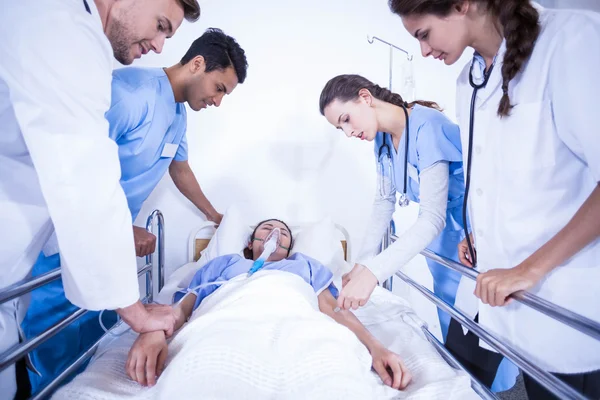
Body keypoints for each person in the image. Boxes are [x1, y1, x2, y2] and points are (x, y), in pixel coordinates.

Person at [389, 0, 600, 398]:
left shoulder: (571, 41)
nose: (423, 51)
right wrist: (474, 230)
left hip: (563, 297)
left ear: (462, 4)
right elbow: (488, 174)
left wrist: (527, 271)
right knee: (456, 376)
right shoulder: (467, 81)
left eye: (423, 34)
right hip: (492, 286)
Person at [20, 27, 248, 393]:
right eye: (219, 88)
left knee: (91, 337)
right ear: (198, 64)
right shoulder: (130, 93)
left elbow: (179, 167)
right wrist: (122, 231)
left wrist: (213, 215)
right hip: (68, 239)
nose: (218, 101)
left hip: (108, 242)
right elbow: (72, 165)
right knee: (52, 341)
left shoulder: (177, 114)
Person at [0, 0, 200, 397]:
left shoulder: (76, 34)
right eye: (161, 26)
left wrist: (217, 215)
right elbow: (85, 172)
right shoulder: (62, 29)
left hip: (20, 255)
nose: (160, 46)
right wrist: (137, 312)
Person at [319, 74, 513, 390]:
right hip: (442, 248)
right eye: (340, 128)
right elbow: (384, 203)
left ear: (365, 97)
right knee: (453, 332)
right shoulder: (381, 140)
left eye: (346, 119)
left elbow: (433, 217)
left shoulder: (427, 127)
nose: (348, 132)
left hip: (473, 236)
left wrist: (373, 273)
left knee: (482, 341)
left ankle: (493, 392)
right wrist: (361, 264)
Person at [125, 218, 412, 391]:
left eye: (283, 232)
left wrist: (377, 348)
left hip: (298, 321)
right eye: (266, 228)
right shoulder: (224, 264)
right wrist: (152, 332)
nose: (275, 233)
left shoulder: (305, 266)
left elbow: (335, 311)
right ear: (250, 243)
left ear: (290, 245)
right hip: (226, 321)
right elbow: (180, 311)